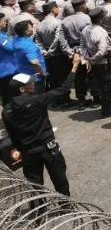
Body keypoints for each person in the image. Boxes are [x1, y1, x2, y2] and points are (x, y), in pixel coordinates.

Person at [2, 52, 82, 195]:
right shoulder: (38, 100)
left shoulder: (7, 110)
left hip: (28, 152)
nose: (33, 83)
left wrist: (23, 149)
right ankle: (66, 207)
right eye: (30, 83)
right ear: (22, 89)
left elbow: (13, 136)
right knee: (59, 178)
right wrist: (74, 67)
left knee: (36, 185)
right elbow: (63, 89)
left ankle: (40, 212)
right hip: (48, 148)